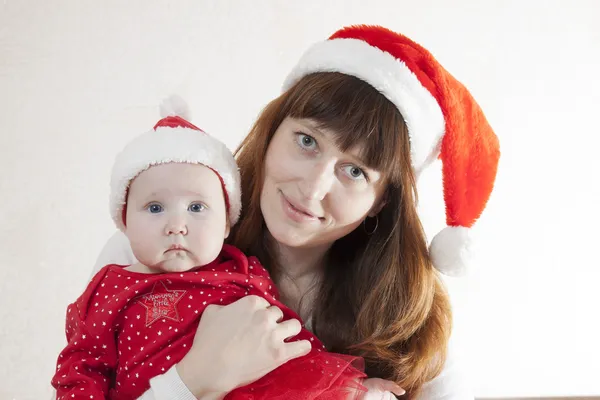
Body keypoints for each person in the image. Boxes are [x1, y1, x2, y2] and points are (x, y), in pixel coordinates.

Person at [81, 25, 500, 400]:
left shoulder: (410, 313)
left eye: (354, 171)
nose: (313, 187)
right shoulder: (150, 248)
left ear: (382, 201)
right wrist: (191, 382)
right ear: (272, 131)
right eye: (307, 141)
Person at [51, 103, 369, 399]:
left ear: (226, 223)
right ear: (124, 220)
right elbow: (81, 368)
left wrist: (351, 387)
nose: (177, 225)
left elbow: (288, 340)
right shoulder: (109, 287)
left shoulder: (240, 270)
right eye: (155, 207)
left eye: (196, 207)